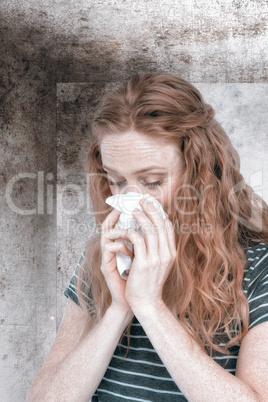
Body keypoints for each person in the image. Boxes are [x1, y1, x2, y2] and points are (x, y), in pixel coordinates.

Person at [29, 72, 268, 401]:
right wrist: (118, 308)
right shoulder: (104, 257)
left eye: (153, 181)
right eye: (115, 181)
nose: (131, 200)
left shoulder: (257, 267)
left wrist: (150, 306)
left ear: (198, 173)